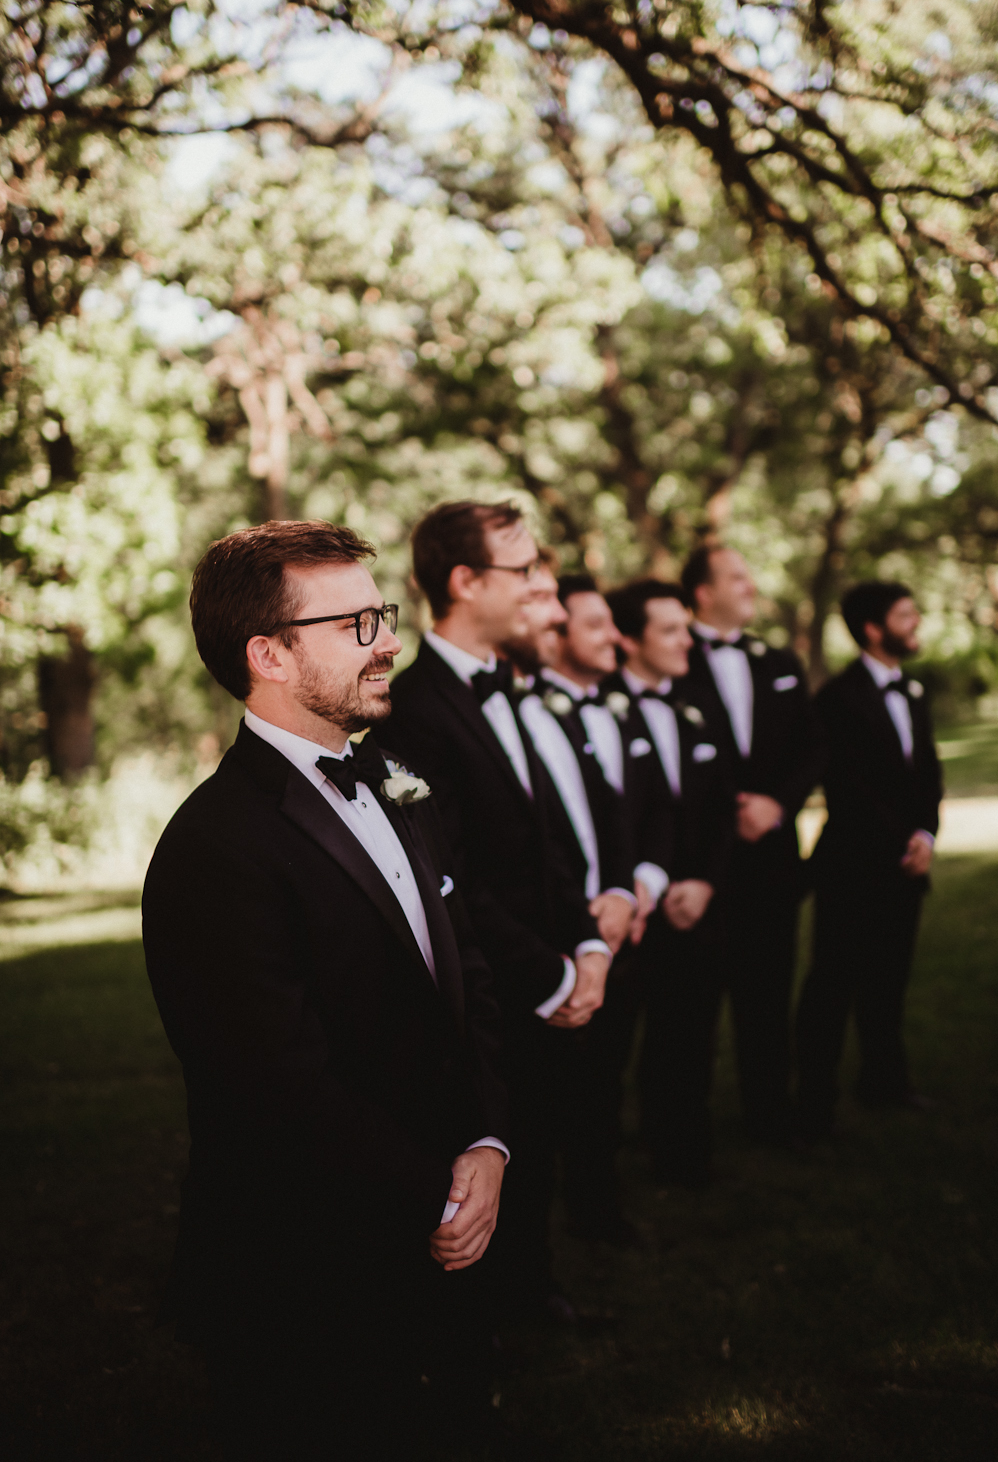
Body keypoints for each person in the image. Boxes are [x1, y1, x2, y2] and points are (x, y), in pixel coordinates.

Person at [141, 521, 509, 1459]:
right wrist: (437, 1196)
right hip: (305, 1270)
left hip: (448, 1228)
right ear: (268, 654)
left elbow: (461, 969)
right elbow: (275, 1084)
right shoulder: (214, 848)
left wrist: (485, 1138)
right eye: (355, 623)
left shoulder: (388, 777)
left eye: (378, 614)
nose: (387, 640)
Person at [387, 502, 614, 1322]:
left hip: (550, 964)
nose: (538, 587)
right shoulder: (411, 709)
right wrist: (548, 975)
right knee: (488, 1145)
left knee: (543, 1138)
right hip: (484, 984)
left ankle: (534, 1286)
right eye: (522, 572)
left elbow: (552, 838)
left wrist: (587, 942)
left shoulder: (514, 687)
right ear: (464, 581)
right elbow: (449, 875)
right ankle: (481, 1317)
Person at [507, 569, 643, 1244]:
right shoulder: (511, 715)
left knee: (601, 1088)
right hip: (546, 938)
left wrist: (619, 892)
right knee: (537, 1110)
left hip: (603, 926)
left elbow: (611, 811)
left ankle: (598, 1211)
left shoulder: (568, 714)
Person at [679, 543, 822, 1143]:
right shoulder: (671, 658)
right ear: (703, 592)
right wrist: (728, 807)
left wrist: (778, 804)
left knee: (769, 990)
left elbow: (812, 748)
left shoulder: (780, 660)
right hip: (698, 859)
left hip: (772, 857)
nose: (751, 585)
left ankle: (772, 1115)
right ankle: (685, 1131)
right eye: (737, 577)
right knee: (693, 1005)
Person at [795, 580, 943, 1137]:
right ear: (875, 630)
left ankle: (885, 1083)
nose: (917, 620)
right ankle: (815, 1105)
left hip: (908, 865)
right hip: (852, 868)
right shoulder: (836, 698)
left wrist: (925, 834)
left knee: (889, 980)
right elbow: (851, 788)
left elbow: (927, 773)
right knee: (832, 985)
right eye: (907, 614)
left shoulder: (915, 692)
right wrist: (898, 842)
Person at [606, 579, 735, 1188]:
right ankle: (601, 1176)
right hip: (629, 909)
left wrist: (706, 881)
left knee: (691, 1036)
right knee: (612, 1053)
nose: (688, 640)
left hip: (699, 903)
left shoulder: (699, 702)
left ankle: (686, 1155)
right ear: (628, 640)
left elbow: (721, 806)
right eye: (670, 630)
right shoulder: (594, 706)